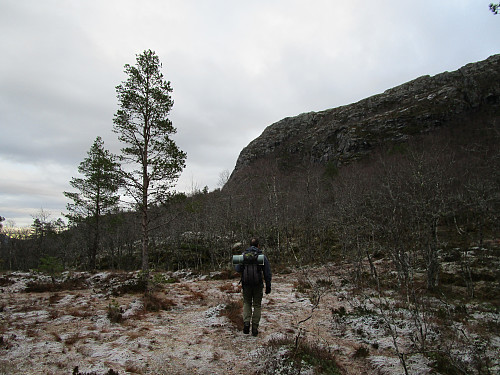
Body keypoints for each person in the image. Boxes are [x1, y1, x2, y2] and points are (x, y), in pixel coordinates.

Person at [235, 238, 272, 337]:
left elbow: (237, 269)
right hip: (257, 285)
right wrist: (268, 285)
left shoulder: (243, 256)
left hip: (246, 284)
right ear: (258, 246)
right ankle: (255, 328)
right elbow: (267, 273)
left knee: (247, 303)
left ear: (249, 245)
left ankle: (246, 323)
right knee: (257, 305)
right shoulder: (261, 257)